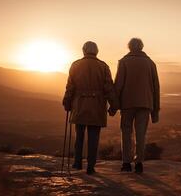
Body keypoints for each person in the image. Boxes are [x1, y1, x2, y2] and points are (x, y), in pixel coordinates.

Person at [62, 41, 118, 175]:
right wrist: (114, 105)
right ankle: (90, 167)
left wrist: (67, 102)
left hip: (79, 104)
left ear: (84, 50)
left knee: (79, 135)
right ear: (96, 51)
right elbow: (109, 88)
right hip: (97, 106)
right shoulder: (103, 66)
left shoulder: (75, 65)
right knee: (93, 137)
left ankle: (77, 163)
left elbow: (70, 86)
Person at [114, 38, 160, 173]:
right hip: (145, 103)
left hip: (127, 104)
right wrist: (155, 110)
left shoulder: (124, 62)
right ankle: (139, 163)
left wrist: (114, 105)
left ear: (129, 47)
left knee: (126, 133)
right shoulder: (150, 63)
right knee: (141, 134)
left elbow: (118, 85)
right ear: (141, 47)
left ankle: (126, 163)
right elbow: (156, 88)